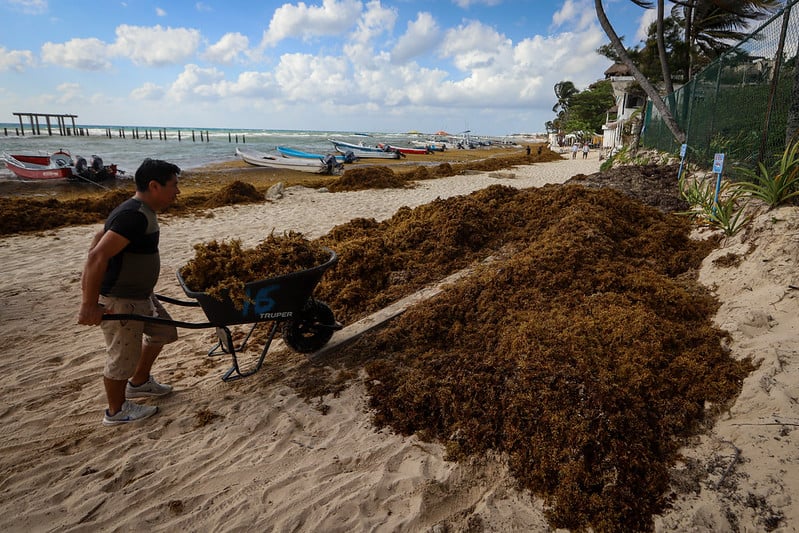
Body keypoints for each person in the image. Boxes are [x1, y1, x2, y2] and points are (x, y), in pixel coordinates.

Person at [78, 159, 181, 426]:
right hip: (122, 301)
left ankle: (139, 382)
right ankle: (116, 411)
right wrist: (89, 303)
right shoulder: (133, 215)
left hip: (142, 296)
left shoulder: (139, 210)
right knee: (122, 358)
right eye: (174, 185)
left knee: (164, 331)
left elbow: (98, 236)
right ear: (154, 185)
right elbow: (97, 255)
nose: (177, 192)